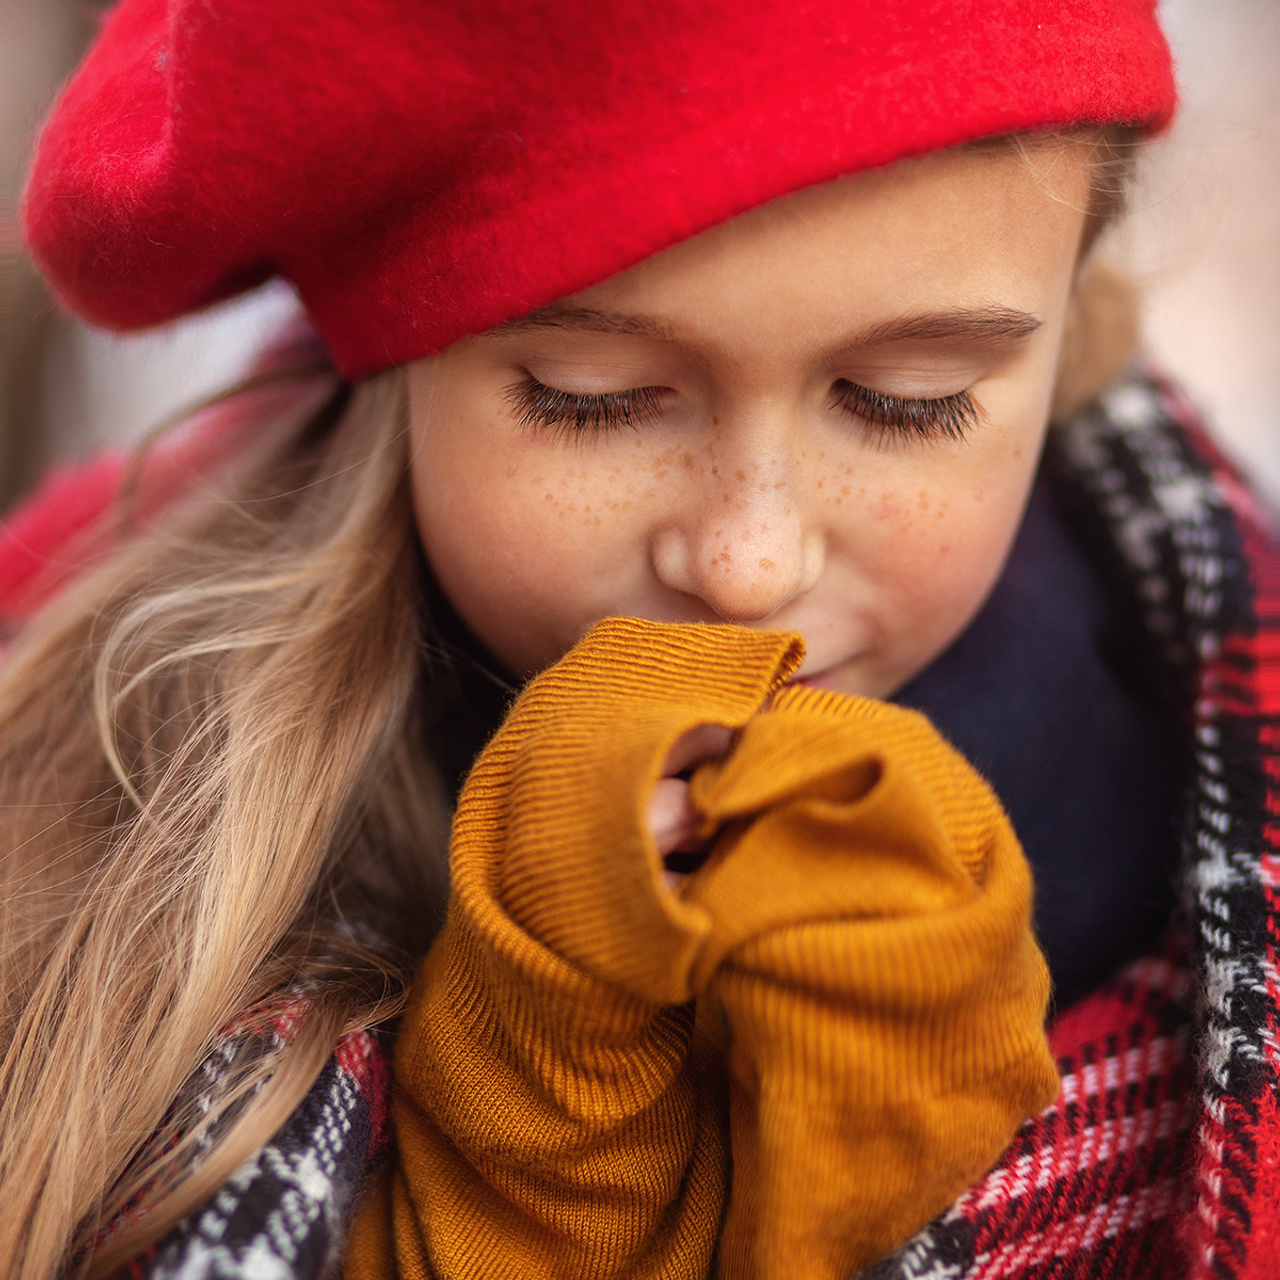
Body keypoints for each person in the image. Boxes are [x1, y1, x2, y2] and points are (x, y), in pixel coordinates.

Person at [4, 1, 1279, 1278]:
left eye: (906, 403)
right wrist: (539, 1062)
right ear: (397, 362)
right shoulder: (76, 772)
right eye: (592, 400)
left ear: (1063, 324)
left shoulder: (1201, 763)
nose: (745, 560)